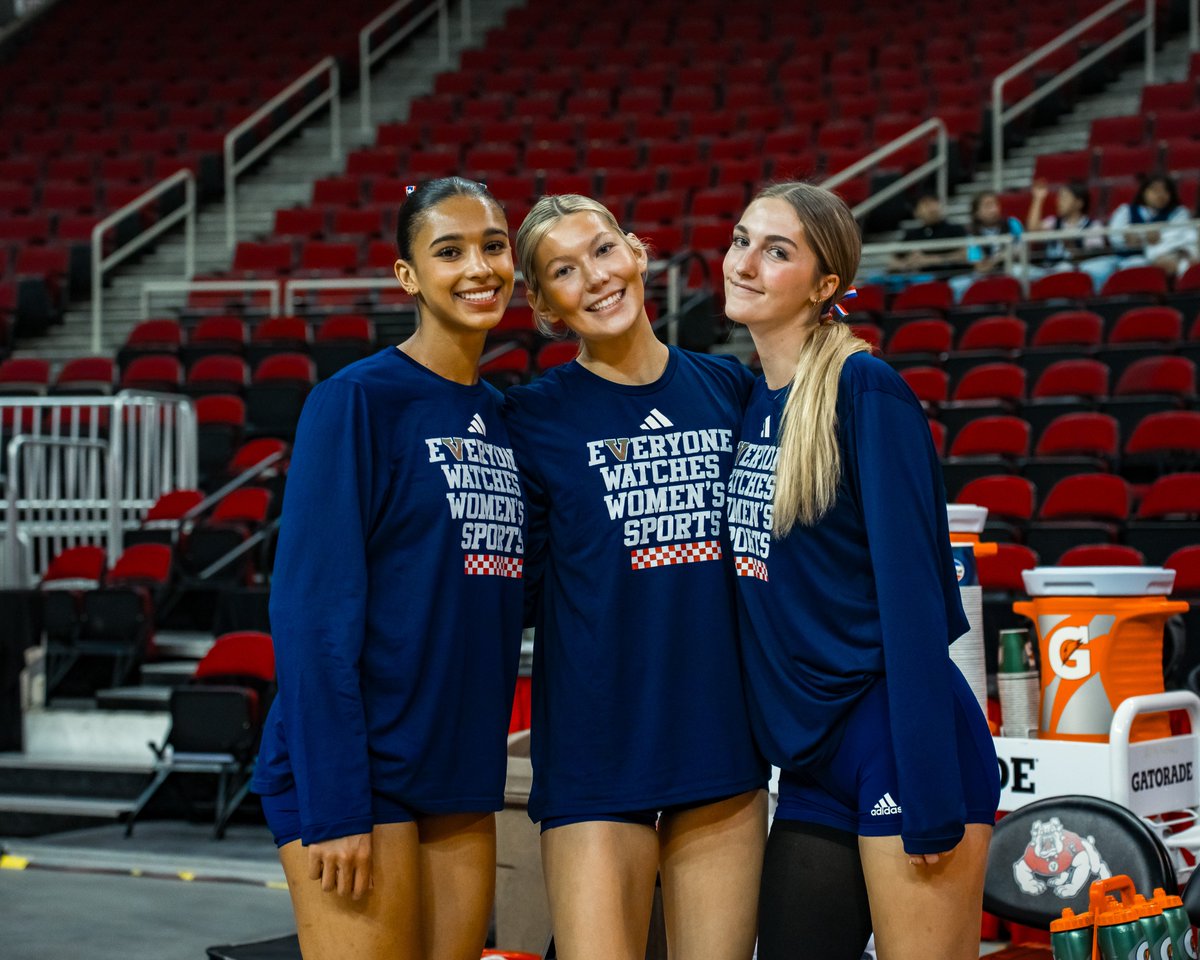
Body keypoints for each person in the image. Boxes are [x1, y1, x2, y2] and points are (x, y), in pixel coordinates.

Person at [723, 182, 999, 960]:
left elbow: (915, 601)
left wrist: (929, 790)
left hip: (902, 742)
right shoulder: (750, 402)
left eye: (776, 251)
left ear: (825, 285)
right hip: (815, 760)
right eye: (741, 239)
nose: (744, 263)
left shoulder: (865, 390)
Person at [251, 177, 525, 960]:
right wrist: (337, 805)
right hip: (358, 774)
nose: (479, 267)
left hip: (456, 770)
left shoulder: (505, 418)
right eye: (449, 251)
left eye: (493, 246)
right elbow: (311, 616)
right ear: (408, 276)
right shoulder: (357, 402)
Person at [503, 194, 768, 960]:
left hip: (719, 742)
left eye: (602, 250)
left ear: (638, 252)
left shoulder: (729, 388)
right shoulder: (530, 419)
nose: (593, 277)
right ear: (543, 304)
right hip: (595, 749)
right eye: (563, 270)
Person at [1024, 179, 1106, 279]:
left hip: (1075, 274)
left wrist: (1071, 247)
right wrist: (1038, 198)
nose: (1059, 202)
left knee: (1065, 267)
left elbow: (1094, 258)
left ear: (1079, 203)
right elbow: (1032, 229)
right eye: (1059, 197)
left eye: (1064, 198)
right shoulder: (1054, 222)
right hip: (1048, 271)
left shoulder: (1093, 226)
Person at [887, 191, 967, 275]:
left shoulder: (955, 229)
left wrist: (932, 260)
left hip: (951, 277)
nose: (932, 208)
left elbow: (966, 256)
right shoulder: (912, 235)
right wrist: (908, 263)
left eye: (935, 202)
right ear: (916, 212)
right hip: (920, 279)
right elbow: (893, 263)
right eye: (926, 204)